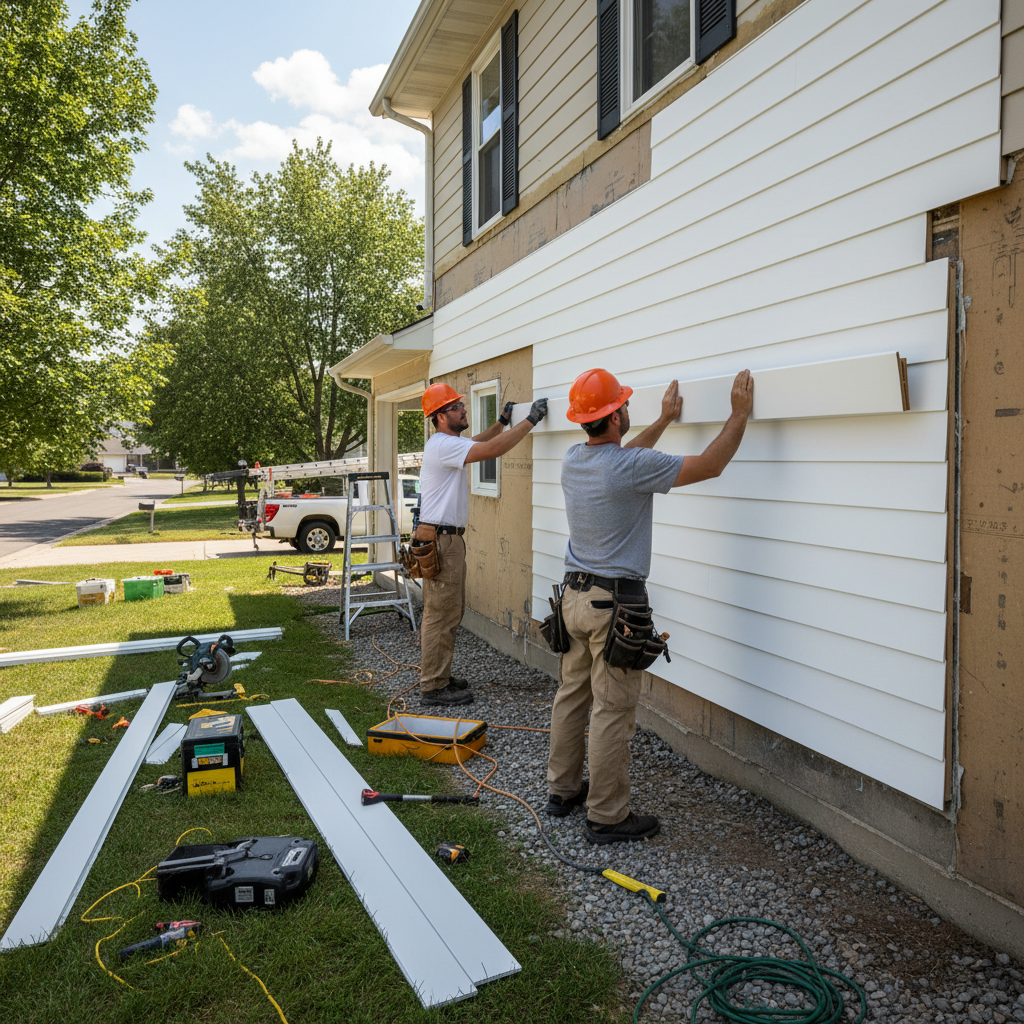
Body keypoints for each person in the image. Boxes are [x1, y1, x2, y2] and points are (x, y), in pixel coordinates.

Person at [546, 367, 753, 843]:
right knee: (612, 709)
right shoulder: (630, 468)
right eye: (622, 406)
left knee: (572, 695)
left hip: (572, 600)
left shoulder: (574, 459)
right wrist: (738, 415)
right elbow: (711, 464)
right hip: (612, 607)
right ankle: (606, 815)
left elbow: (623, 455)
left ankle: (562, 792)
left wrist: (662, 421)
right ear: (616, 416)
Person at [416, 382, 548, 706]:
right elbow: (491, 451)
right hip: (442, 539)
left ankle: (440, 677)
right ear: (440, 416)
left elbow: (478, 443)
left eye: (462, 405)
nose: (463, 410)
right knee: (440, 615)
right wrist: (529, 421)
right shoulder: (444, 445)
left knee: (448, 611)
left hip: (443, 537)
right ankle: (433, 687)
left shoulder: (446, 444)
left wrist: (501, 424)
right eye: (456, 407)